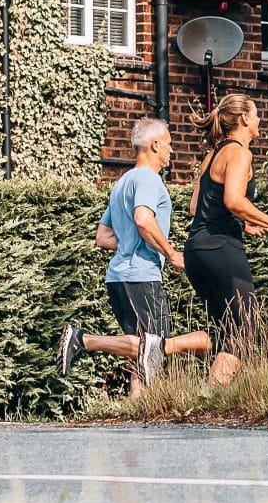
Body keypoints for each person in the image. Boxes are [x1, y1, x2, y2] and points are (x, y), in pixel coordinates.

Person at [56, 118, 211, 397]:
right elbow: (143, 218)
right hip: (141, 276)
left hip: (118, 277)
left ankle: (137, 405)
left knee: (142, 350)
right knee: (156, 346)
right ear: (154, 145)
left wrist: (133, 242)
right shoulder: (149, 179)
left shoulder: (122, 183)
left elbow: (102, 236)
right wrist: (170, 252)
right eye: (169, 145)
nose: (171, 151)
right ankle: (82, 340)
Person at [182, 93, 268, 386]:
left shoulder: (212, 155)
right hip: (222, 248)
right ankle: (211, 400)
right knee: (243, 328)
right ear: (245, 118)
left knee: (226, 329)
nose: (259, 120)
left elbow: (197, 207)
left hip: (196, 251)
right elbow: (233, 199)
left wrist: (246, 225)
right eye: (256, 114)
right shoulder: (240, 153)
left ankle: (208, 399)